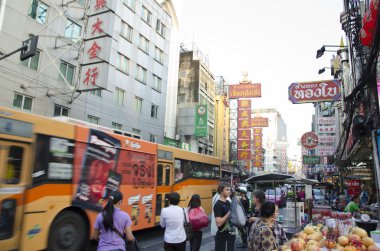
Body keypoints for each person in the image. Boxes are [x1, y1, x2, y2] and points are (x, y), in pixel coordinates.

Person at [214, 181, 235, 251]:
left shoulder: (228, 202)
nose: (229, 191)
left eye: (230, 190)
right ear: (221, 191)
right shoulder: (218, 205)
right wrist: (228, 214)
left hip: (230, 235)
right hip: (222, 236)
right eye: (227, 189)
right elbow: (218, 223)